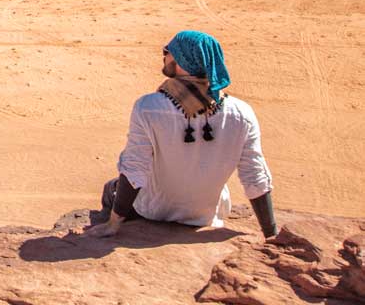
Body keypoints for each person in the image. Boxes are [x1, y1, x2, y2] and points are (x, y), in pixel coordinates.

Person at [87, 30, 276, 239]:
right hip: (205, 216)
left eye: (167, 51)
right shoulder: (242, 113)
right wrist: (271, 234)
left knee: (110, 189)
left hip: (154, 211)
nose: (164, 56)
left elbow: (134, 168)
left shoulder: (148, 107)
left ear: (181, 59)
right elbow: (254, 175)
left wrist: (113, 225)